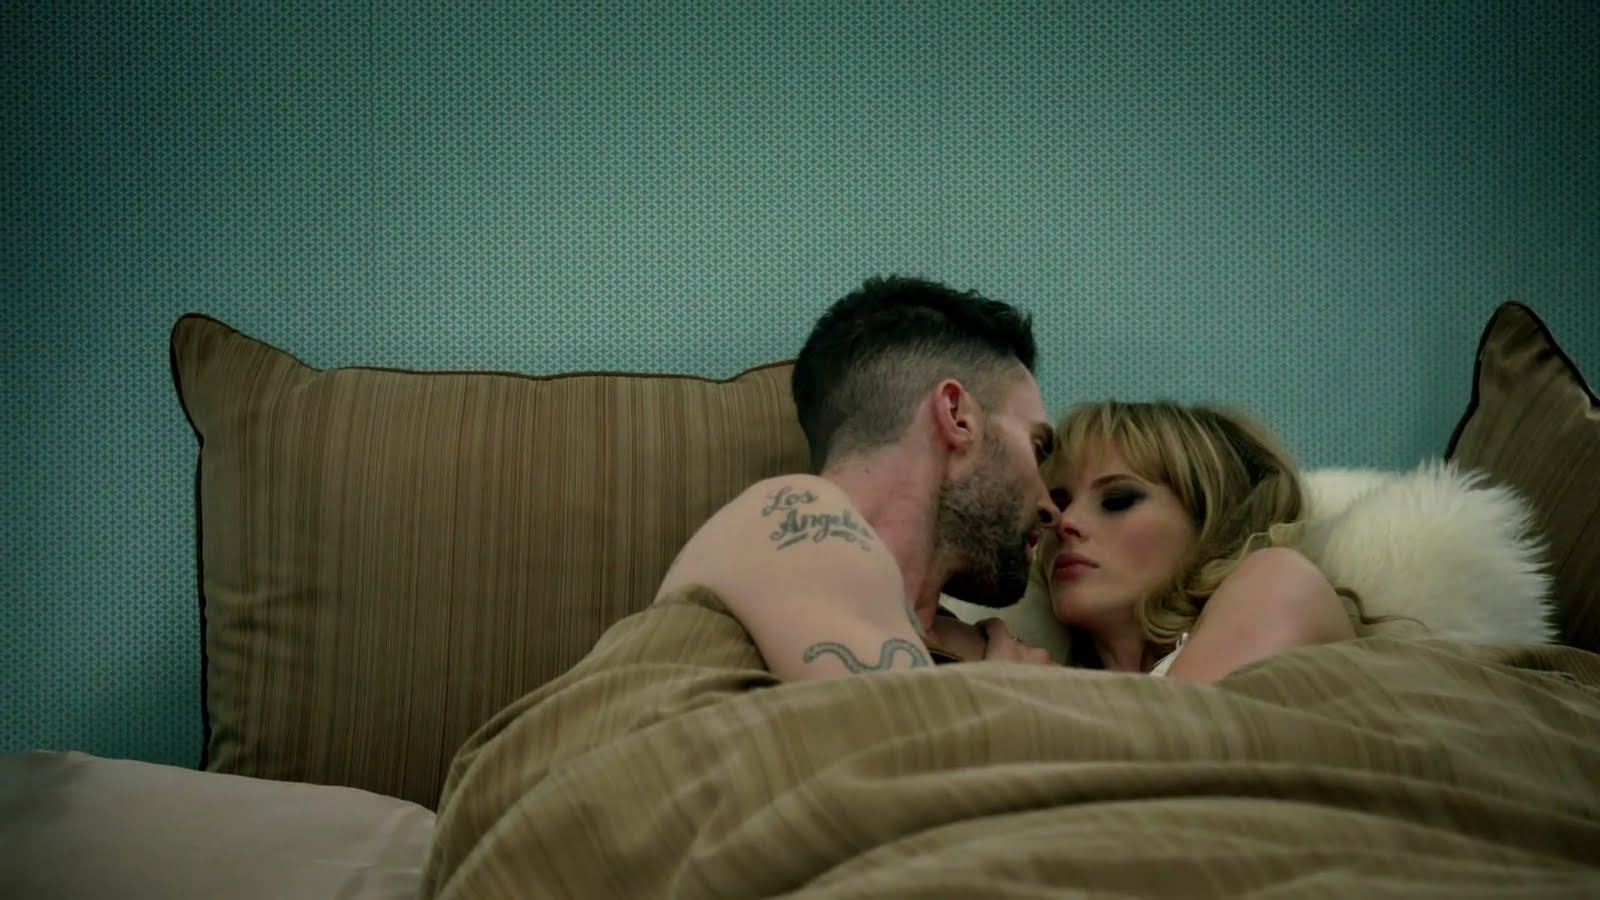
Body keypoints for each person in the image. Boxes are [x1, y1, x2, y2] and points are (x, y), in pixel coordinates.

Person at [654, 276, 1059, 679]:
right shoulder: (794, 515)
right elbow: (899, 718)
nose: (1051, 509)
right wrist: (1008, 688)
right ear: (958, 416)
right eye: (1037, 446)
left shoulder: (969, 643)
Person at [1035, 400, 1366, 683]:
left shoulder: (1280, 578)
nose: (1066, 522)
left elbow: (1172, 732)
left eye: (1117, 500)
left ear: (1214, 523)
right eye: (1057, 504)